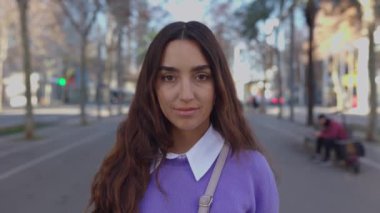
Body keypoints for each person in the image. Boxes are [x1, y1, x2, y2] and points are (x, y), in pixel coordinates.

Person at [88, 21, 279, 213]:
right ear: (152, 87)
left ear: (219, 86)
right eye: (169, 77)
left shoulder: (252, 170)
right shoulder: (124, 167)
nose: (186, 95)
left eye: (201, 76)